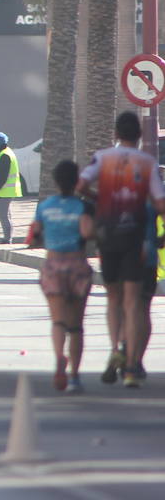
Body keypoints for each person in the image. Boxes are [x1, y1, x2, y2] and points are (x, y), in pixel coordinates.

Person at [77, 110, 164, 389]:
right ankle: (130, 365)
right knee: (135, 302)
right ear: (139, 136)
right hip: (136, 239)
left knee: (113, 298)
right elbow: (160, 204)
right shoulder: (147, 163)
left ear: (115, 134)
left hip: (109, 236)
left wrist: (99, 197)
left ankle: (116, 346)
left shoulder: (102, 158)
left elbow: (80, 185)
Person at [29, 159, 94, 393]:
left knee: (58, 321)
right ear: (76, 181)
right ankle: (75, 375)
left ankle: (59, 356)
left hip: (53, 265)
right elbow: (87, 231)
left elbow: (34, 235)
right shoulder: (83, 206)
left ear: (56, 181)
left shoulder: (45, 206)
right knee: (76, 325)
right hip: (77, 265)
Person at [0, 132, 23, 244]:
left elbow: (1, 177)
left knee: (3, 217)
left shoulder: (4, 155)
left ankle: (7, 239)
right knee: (6, 216)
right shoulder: (7, 153)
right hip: (6, 191)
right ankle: (7, 237)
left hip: (3, 191)